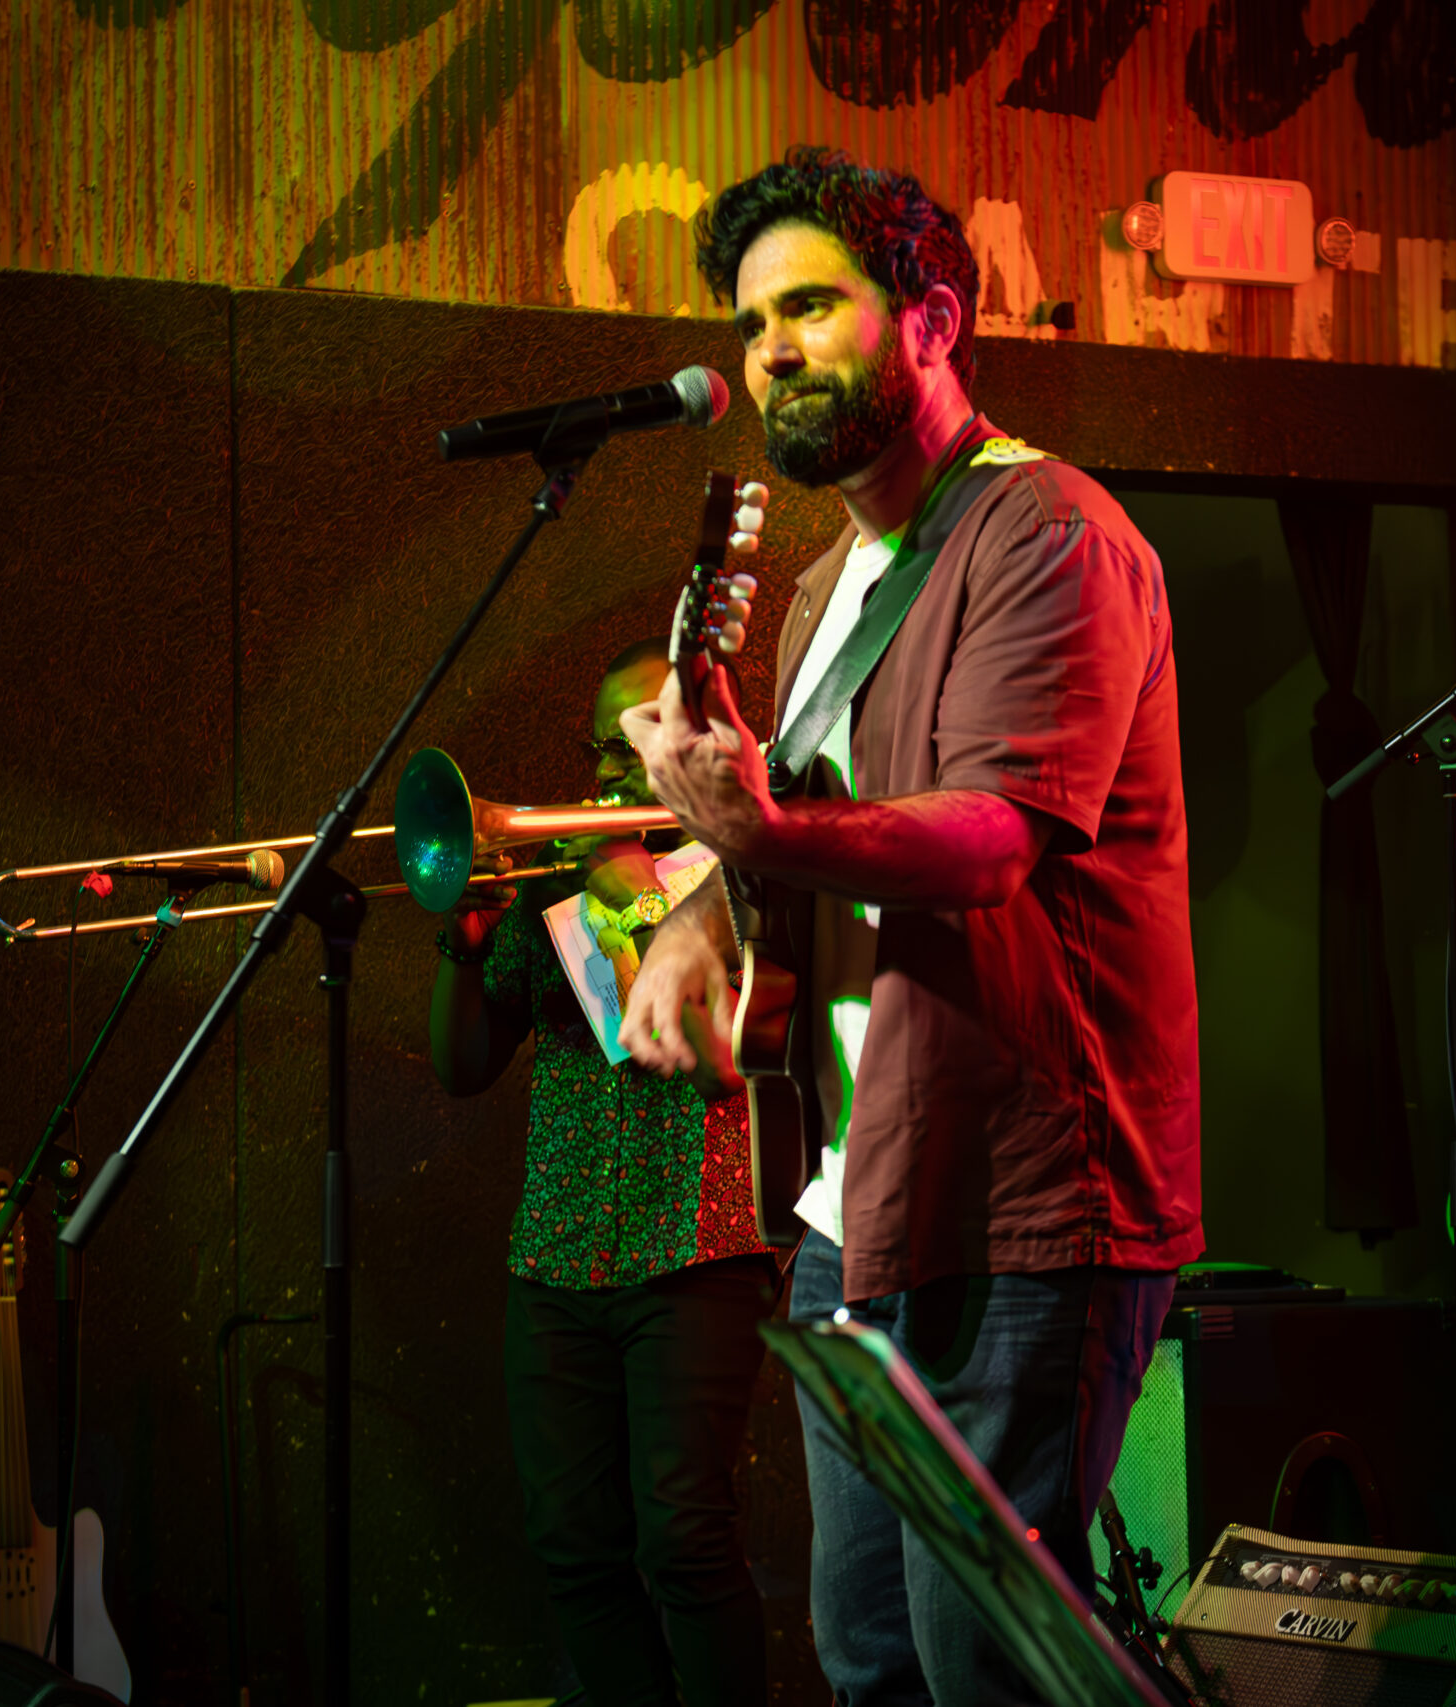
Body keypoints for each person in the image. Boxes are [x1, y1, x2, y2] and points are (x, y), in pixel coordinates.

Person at [616, 146, 1205, 1703]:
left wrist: (754, 829)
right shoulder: (822, 591)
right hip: (856, 1203)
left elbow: (993, 836)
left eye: (811, 306)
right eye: (754, 323)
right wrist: (705, 911)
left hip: (1022, 1205)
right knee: (868, 1653)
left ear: (932, 320)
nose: (771, 351)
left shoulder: (1049, 532)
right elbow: (801, 842)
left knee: (980, 1664)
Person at [432, 638, 776, 1707]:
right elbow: (464, 1066)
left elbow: (701, 1049)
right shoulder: (560, 884)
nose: (610, 775)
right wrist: (462, 945)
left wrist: (628, 892)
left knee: (684, 1541)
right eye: (601, 751)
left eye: (636, 746)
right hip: (557, 1257)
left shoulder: (751, 872)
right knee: (574, 1547)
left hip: (697, 1251)